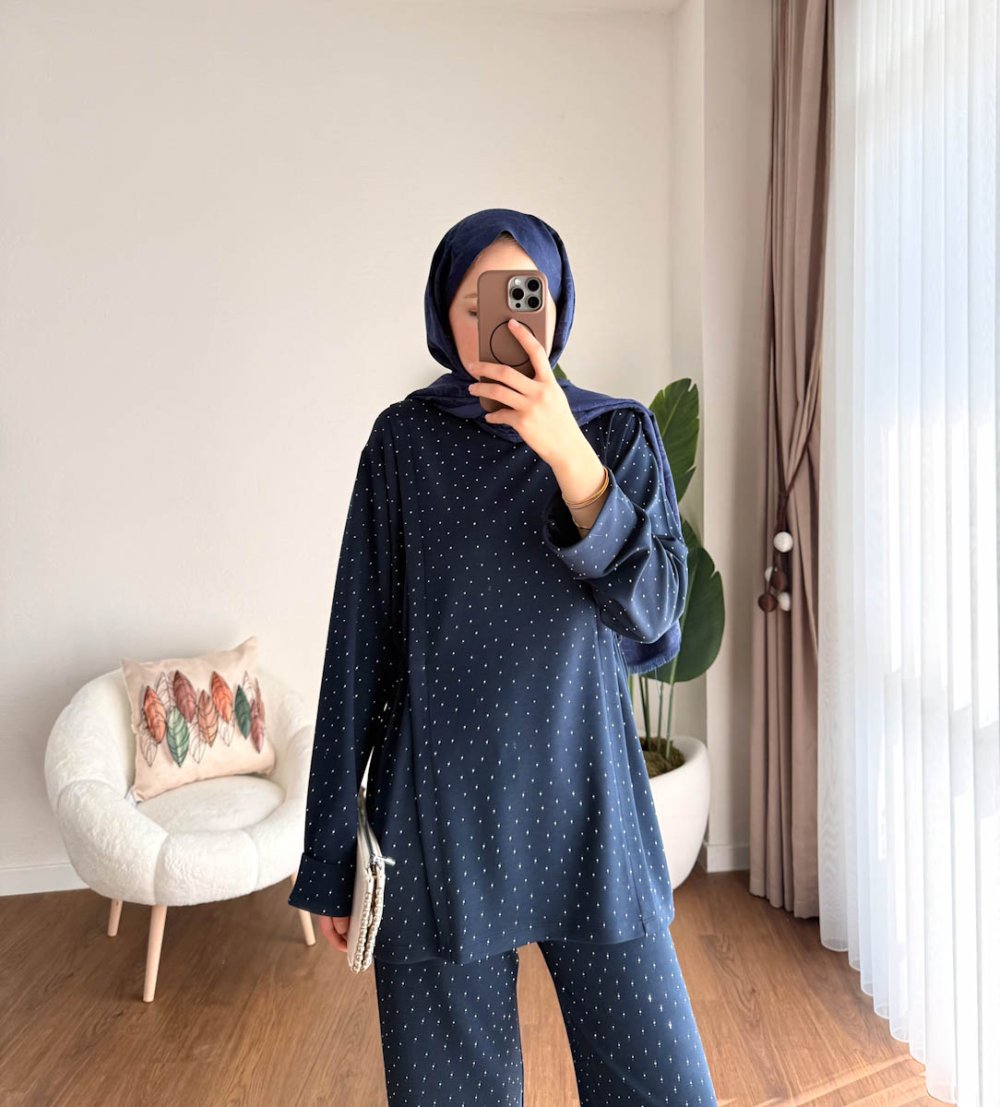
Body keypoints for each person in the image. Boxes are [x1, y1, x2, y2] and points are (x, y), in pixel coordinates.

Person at [289, 208, 718, 1106]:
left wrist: (569, 457)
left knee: (667, 1090)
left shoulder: (618, 435)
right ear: (445, 315)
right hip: (435, 823)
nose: (510, 320)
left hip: (590, 808)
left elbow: (656, 612)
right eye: (481, 299)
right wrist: (329, 854)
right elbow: (356, 650)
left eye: (530, 295)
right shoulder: (403, 444)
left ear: (558, 307)